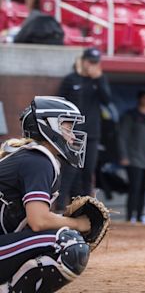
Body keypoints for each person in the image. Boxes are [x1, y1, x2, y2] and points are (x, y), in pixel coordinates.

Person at [0, 96, 92, 292]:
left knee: (62, 236)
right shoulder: (38, 160)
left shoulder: (33, 157)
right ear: (48, 126)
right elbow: (38, 221)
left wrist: (63, 220)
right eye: (67, 128)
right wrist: (78, 224)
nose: (73, 136)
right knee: (68, 243)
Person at [57, 47, 112, 210]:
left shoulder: (99, 80)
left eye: (95, 63)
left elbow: (107, 100)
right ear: (82, 61)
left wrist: (99, 79)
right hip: (74, 134)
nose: (92, 66)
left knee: (88, 171)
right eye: (90, 62)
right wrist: (64, 129)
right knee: (70, 171)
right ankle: (60, 207)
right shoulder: (71, 80)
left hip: (92, 134)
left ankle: (85, 209)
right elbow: (61, 105)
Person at [119, 91, 145, 224]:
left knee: (143, 189)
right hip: (134, 159)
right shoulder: (131, 116)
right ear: (139, 99)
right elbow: (122, 137)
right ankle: (130, 217)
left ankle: (140, 216)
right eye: (144, 97)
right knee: (134, 189)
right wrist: (124, 156)